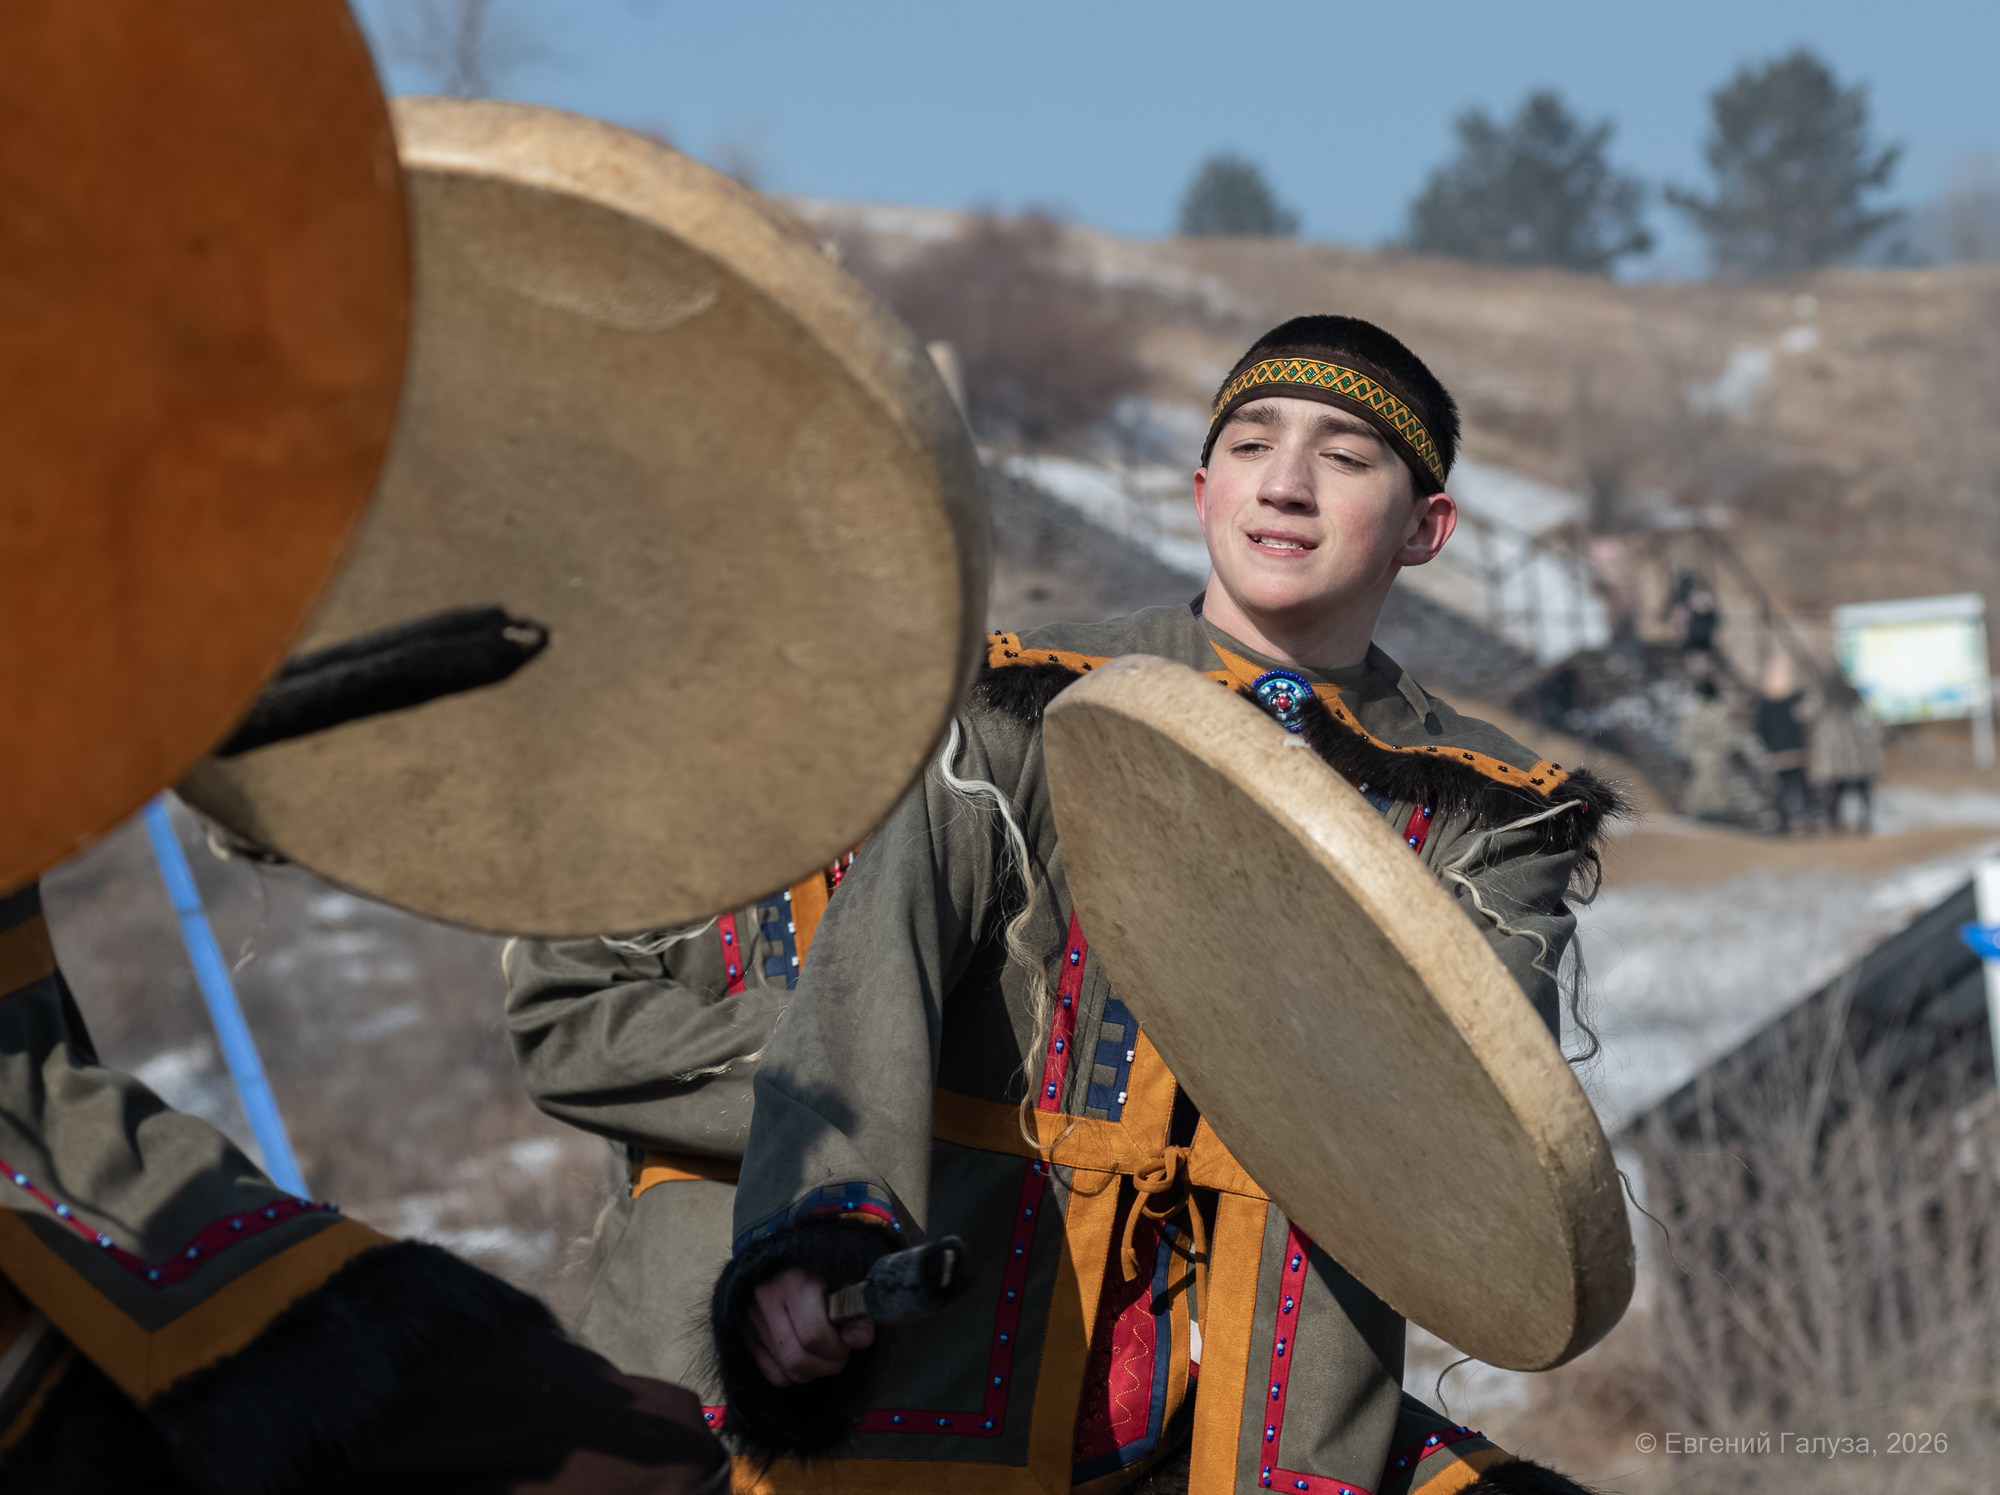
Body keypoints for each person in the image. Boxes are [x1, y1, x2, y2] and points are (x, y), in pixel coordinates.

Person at [514, 317, 1626, 1493]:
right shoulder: (1027, 699)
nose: (1288, 484)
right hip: (928, 1352)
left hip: (1272, 1395)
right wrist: (853, 1176)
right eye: (1252, 445)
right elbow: (845, 986)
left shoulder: (1493, 809)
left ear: (1425, 529)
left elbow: (1466, 1124)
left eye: (1345, 459)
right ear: (1204, 490)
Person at [1809, 674, 1884, 834]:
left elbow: (1806, 714)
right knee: (1857, 794)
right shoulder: (1842, 701)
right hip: (1857, 762)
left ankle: (1843, 824)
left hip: (1842, 764)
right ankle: (1860, 823)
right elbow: (1871, 726)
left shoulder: (1826, 704)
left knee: (1839, 795)